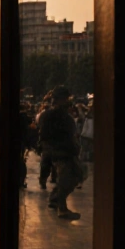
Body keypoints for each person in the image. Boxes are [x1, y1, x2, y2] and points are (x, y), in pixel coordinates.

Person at [38, 86, 83, 219]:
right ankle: (61, 207)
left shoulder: (52, 115)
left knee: (73, 176)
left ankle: (55, 199)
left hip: (62, 150)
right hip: (62, 151)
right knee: (67, 178)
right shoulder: (55, 116)